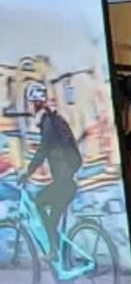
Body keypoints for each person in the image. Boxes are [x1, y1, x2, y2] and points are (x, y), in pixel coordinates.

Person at [21, 83, 81, 248]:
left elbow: (43, 150)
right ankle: (59, 254)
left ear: (37, 103)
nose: (31, 107)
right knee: (51, 220)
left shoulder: (48, 123)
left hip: (64, 183)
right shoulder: (54, 120)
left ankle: (54, 251)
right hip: (67, 181)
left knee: (40, 202)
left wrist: (27, 172)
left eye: (32, 103)